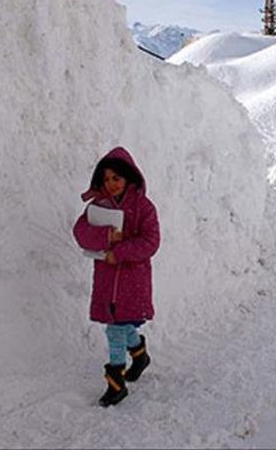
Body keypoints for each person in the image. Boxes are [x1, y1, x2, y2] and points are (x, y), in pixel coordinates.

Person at [73, 147, 160, 406]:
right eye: (106, 179)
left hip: (133, 281)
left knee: (116, 328)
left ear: (129, 178)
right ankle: (140, 354)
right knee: (120, 325)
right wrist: (106, 237)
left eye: (116, 179)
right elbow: (80, 232)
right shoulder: (97, 206)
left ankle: (116, 383)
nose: (111, 184)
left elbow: (151, 242)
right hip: (107, 280)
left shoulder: (144, 207)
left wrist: (119, 252)